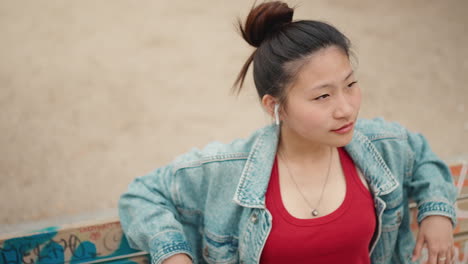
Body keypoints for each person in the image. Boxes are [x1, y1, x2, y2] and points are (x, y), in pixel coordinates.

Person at [118, 1, 457, 264]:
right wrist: (174, 253)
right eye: (322, 96)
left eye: (350, 85)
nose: (345, 108)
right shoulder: (230, 169)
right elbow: (142, 196)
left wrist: (437, 212)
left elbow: (423, 158)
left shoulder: (381, 146)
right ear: (273, 105)